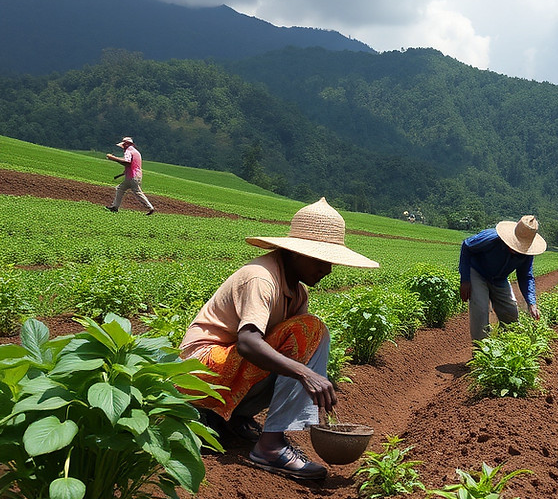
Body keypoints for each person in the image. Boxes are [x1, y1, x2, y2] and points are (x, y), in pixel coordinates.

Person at [179, 198, 378, 480]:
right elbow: (248, 342)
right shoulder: (261, 277)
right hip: (198, 371)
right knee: (310, 332)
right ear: (297, 253)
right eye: (321, 261)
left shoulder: (297, 293)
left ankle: (233, 418)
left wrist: (306, 373)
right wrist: (306, 374)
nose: (328, 270)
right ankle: (269, 447)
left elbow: (293, 354)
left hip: (227, 370)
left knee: (304, 345)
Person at [459, 215, 547, 342]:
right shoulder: (491, 238)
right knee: (481, 310)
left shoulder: (526, 254)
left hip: (500, 279)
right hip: (478, 272)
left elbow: (525, 276)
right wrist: (465, 280)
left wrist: (532, 303)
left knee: (511, 314)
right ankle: (481, 352)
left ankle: (505, 347)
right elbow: (467, 246)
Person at [105, 136, 155, 215]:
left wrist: (113, 158)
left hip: (132, 176)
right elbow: (132, 164)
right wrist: (123, 172)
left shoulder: (128, 151)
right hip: (137, 175)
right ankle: (115, 206)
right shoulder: (136, 152)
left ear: (126, 144)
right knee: (121, 188)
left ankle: (150, 207)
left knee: (136, 192)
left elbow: (127, 162)